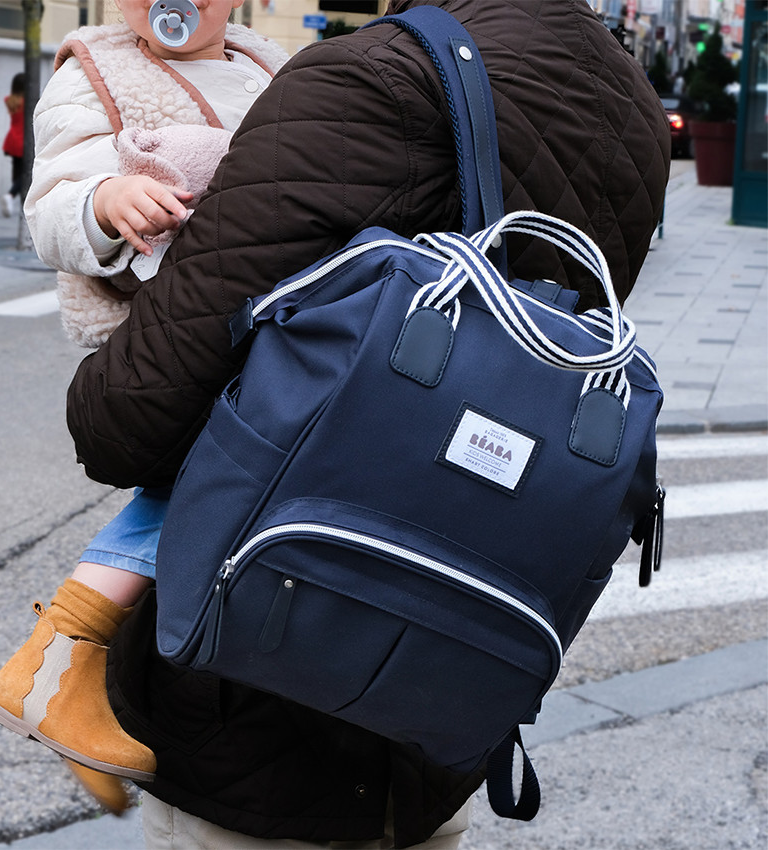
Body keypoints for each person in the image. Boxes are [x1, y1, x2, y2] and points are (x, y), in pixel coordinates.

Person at [64, 0, 671, 846]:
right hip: (443, 706)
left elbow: (125, 421)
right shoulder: (630, 103)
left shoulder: (374, 76)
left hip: (261, 710)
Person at [0, 0, 289, 814]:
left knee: (223, 499)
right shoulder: (96, 69)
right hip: (165, 330)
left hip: (269, 319)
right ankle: (62, 658)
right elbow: (49, 206)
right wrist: (106, 201)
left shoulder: (269, 67)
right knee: (226, 467)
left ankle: (85, 684)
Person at [0, 72, 26, 218]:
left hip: (12, 139)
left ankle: (12, 196)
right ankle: (11, 195)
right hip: (23, 140)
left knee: (16, 171)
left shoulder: (10, 100)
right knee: (26, 173)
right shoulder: (27, 102)